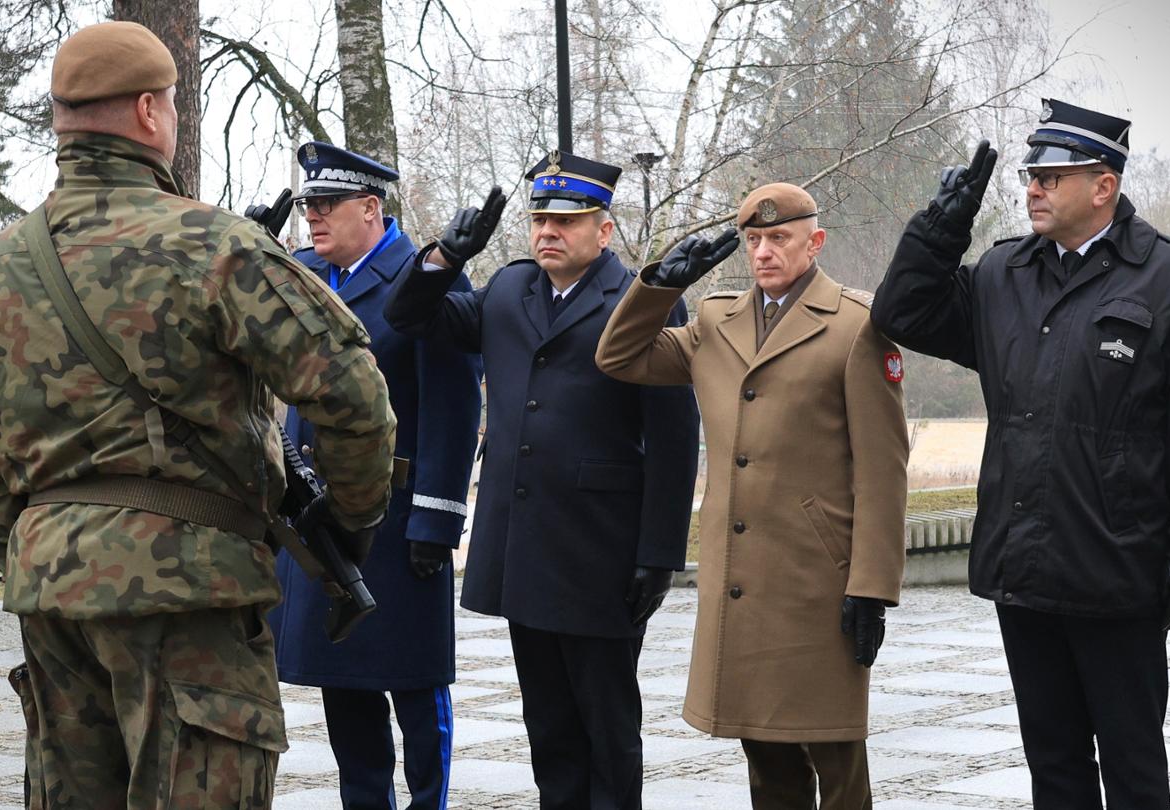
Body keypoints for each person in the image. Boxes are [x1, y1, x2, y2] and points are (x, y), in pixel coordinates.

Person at [0, 21, 396, 808]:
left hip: (50, 595)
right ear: (153, 112)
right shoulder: (213, 244)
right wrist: (353, 520)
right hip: (190, 597)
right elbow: (354, 397)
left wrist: (39, 544)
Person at [871, 99, 1170, 809]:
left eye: (1051, 175)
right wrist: (940, 231)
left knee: (1134, 769)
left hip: (1119, 570)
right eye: (1029, 175)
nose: (1032, 187)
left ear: (1103, 184)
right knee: (1054, 766)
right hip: (1025, 567)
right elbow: (902, 312)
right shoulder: (1004, 274)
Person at [384, 151, 701, 810]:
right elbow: (411, 320)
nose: (547, 233)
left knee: (608, 727)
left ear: (603, 230)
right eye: (539, 220)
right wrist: (443, 259)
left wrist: (659, 553)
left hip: (601, 552)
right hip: (523, 548)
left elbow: (674, 437)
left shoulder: (642, 300)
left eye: (566, 220)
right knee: (549, 728)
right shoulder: (508, 290)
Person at [595, 183, 909, 809]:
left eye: (779, 239)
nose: (764, 253)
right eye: (754, 241)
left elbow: (884, 467)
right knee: (764, 751)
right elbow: (619, 357)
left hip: (819, 576)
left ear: (814, 242)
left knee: (836, 751)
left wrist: (872, 588)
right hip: (741, 575)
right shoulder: (716, 318)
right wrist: (659, 288)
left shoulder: (856, 324)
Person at [261, 141, 482, 810]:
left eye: (327, 206)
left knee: (415, 686)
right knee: (344, 683)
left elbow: (452, 402)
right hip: (322, 518)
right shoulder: (303, 274)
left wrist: (438, 519)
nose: (314, 219)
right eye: (308, 207)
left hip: (398, 517)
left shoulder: (420, 280)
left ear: (370, 208)